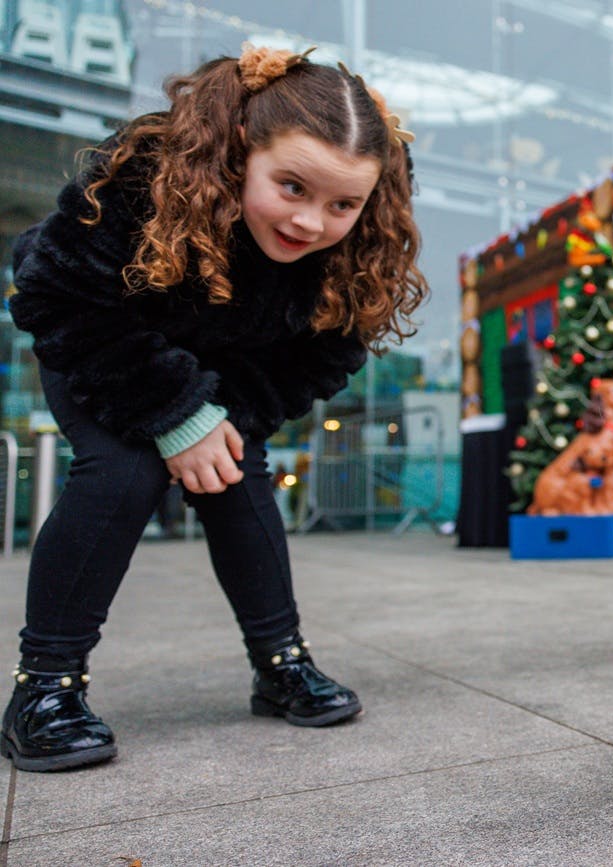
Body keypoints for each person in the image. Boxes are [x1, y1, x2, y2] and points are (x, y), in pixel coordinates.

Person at [2, 45, 429, 771]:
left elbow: (322, 358)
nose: (311, 222)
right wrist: (175, 415)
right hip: (102, 340)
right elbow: (51, 289)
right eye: (291, 186)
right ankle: (44, 689)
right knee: (124, 471)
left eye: (341, 204)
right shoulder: (144, 174)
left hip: (222, 375)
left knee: (239, 471)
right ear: (239, 154)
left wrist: (220, 423)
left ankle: (281, 663)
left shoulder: (359, 250)